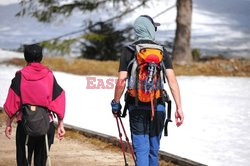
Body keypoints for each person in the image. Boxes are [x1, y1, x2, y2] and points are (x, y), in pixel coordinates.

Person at [111, 15, 184, 166]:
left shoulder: (129, 51)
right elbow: (172, 81)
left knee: (141, 150)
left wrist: (116, 103)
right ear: (150, 29)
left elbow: (121, 82)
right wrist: (179, 107)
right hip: (158, 107)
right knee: (153, 149)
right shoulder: (162, 51)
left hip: (136, 107)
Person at [4, 44, 66, 166]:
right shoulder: (49, 75)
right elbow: (59, 97)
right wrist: (60, 123)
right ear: (41, 57)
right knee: (40, 162)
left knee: (23, 162)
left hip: (25, 125)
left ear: (25, 57)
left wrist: (9, 123)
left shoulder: (20, 76)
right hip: (45, 126)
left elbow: (12, 102)